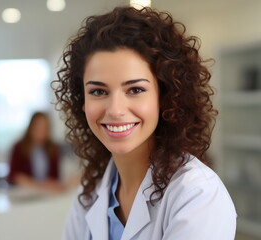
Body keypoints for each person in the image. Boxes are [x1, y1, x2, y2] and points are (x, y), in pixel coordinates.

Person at [52, 6, 237, 240]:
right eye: (98, 91)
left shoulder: (197, 193)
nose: (116, 110)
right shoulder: (91, 193)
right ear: (82, 101)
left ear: (165, 97)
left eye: (135, 89)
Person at [7, 112, 64, 192]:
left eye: (45, 128)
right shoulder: (19, 147)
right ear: (31, 127)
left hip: (47, 193)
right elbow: (13, 175)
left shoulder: (53, 148)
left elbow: (55, 178)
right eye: (39, 127)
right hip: (25, 193)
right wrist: (38, 185)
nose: (42, 131)